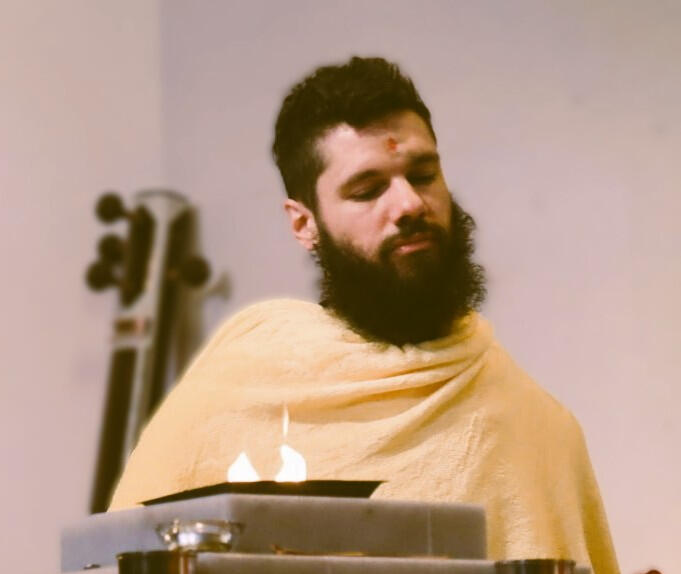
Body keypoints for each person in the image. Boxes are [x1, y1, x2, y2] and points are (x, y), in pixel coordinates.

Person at [109, 56, 619, 573]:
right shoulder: (237, 391)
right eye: (368, 190)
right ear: (304, 224)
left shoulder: (535, 424)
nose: (409, 204)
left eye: (424, 175)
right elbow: (116, 559)